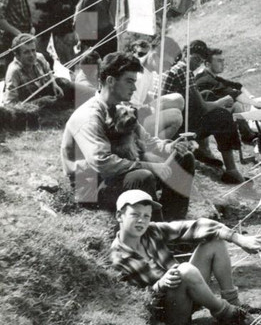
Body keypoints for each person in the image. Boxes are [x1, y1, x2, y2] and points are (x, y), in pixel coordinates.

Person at [60, 51, 197, 218]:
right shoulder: (89, 116)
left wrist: (170, 146)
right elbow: (103, 163)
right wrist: (151, 166)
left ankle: (173, 221)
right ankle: (156, 233)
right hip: (91, 187)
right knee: (143, 176)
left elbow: (148, 141)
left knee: (184, 158)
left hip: (117, 176)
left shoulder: (120, 107)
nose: (134, 88)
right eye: (129, 81)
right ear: (110, 81)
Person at [110, 189, 261, 325]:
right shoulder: (117, 259)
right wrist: (160, 285)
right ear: (119, 216)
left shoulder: (151, 231)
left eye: (146, 216)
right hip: (169, 315)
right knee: (185, 270)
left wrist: (238, 239)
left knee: (214, 241)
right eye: (135, 215)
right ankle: (226, 313)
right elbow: (133, 304)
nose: (141, 221)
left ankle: (233, 303)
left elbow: (193, 226)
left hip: (186, 291)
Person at [161, 39, 247, 183]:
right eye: (194, 58)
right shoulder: (183, 70)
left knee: (207, 94)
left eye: (199, 61)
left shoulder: (175, 67)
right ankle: (232, 170)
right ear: (185, 53)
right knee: (222, 116)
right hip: (177, 126)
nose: (196, 63)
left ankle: (204, 150)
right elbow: (203, 107)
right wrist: (222, 102)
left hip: (170, 119)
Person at [3, 33, 72, 107]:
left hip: (45, 95)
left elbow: (48, 72)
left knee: (74, 89)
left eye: (33, 50)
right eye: (26, 52)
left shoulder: (39, 57)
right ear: (17, 55)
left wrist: (54, 84)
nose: (32, 55)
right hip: (29, 109)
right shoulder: (14, 72)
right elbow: (9, 105)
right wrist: (39, 102)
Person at [73, 0, 122, 66]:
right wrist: (83, 43)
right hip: (93, 39)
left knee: (109, 70)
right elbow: (79, 20)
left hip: (110, 37)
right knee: (92, 73)